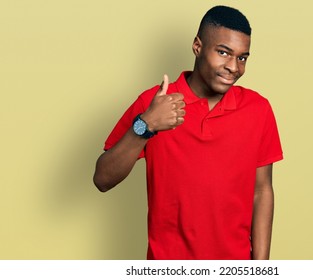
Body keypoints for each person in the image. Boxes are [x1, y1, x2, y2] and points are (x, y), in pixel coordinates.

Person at [93, 5, 283, 260]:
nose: (233, 67)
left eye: (242, 57)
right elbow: (102, 179)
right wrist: (145, 126)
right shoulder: (154, 102)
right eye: (223, 53)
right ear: (197, 46)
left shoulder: (258, 110)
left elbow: (262, 191)